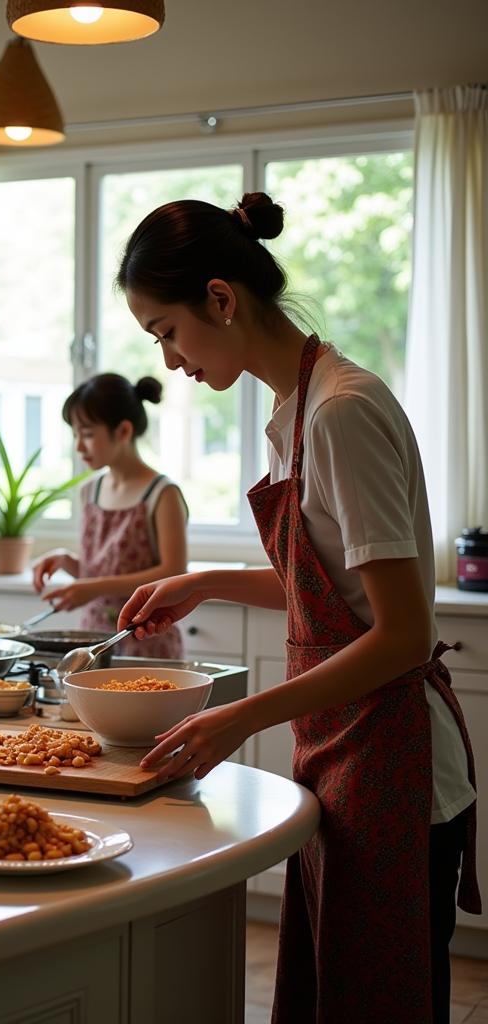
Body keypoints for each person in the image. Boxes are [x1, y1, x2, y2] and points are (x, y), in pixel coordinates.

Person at [114, 192, 479, 1023]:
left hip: (399, 764)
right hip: (345, 748)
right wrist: (203, 580)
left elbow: (402, 633)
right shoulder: (296, 412)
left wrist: (240, 717)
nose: (169, 361)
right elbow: (331, 588)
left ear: (219, 298)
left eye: (165, 330)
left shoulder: (342, 411)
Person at [31, 373, 188, 657]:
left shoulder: (162, 494)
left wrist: (91, 587)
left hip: (146, 643)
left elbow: (174, 574)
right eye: (75, 434)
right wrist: (67, 561)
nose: (79, 446)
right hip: (93, 643)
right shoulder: (90, 491)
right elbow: (102, 572)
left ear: (124, 431)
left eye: (88, 434)